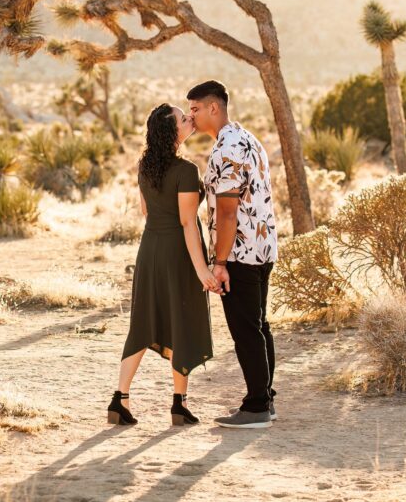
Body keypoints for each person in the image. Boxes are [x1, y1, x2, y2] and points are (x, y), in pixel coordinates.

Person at [108, 104, 220, 426]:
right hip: (176, 253)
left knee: (143, 323)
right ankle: (178, 405)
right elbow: (188, 224)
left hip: (149, 250)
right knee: (180, 320)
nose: (189, 120)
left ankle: (120, 399)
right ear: (173, 131)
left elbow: (145, 210)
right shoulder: (186, 171)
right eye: (183, 118)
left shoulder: (145, 166)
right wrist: (202, 270)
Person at [188, 80, 278, 429]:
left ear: (214, 108)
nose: (192, 117)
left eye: (195, 109)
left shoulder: (227, 147)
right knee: (258, 326)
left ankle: (256, 406)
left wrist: (220, 262)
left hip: (239, 252)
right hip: (263, 247)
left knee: (245, 330)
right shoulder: (248, 138)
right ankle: (265, 400)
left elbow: (227, 212)